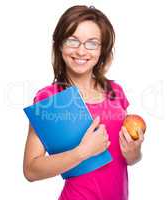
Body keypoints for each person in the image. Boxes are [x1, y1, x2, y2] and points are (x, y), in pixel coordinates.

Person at [23, 5, 144, 200]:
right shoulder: (49, 99)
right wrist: (81, 152)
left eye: (92, 43)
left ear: (102, 49)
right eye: (72, 40)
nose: (81, 51)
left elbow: (129, 160)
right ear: (59, 44)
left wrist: (134, 152)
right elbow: (31, 170)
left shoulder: (116, 92)